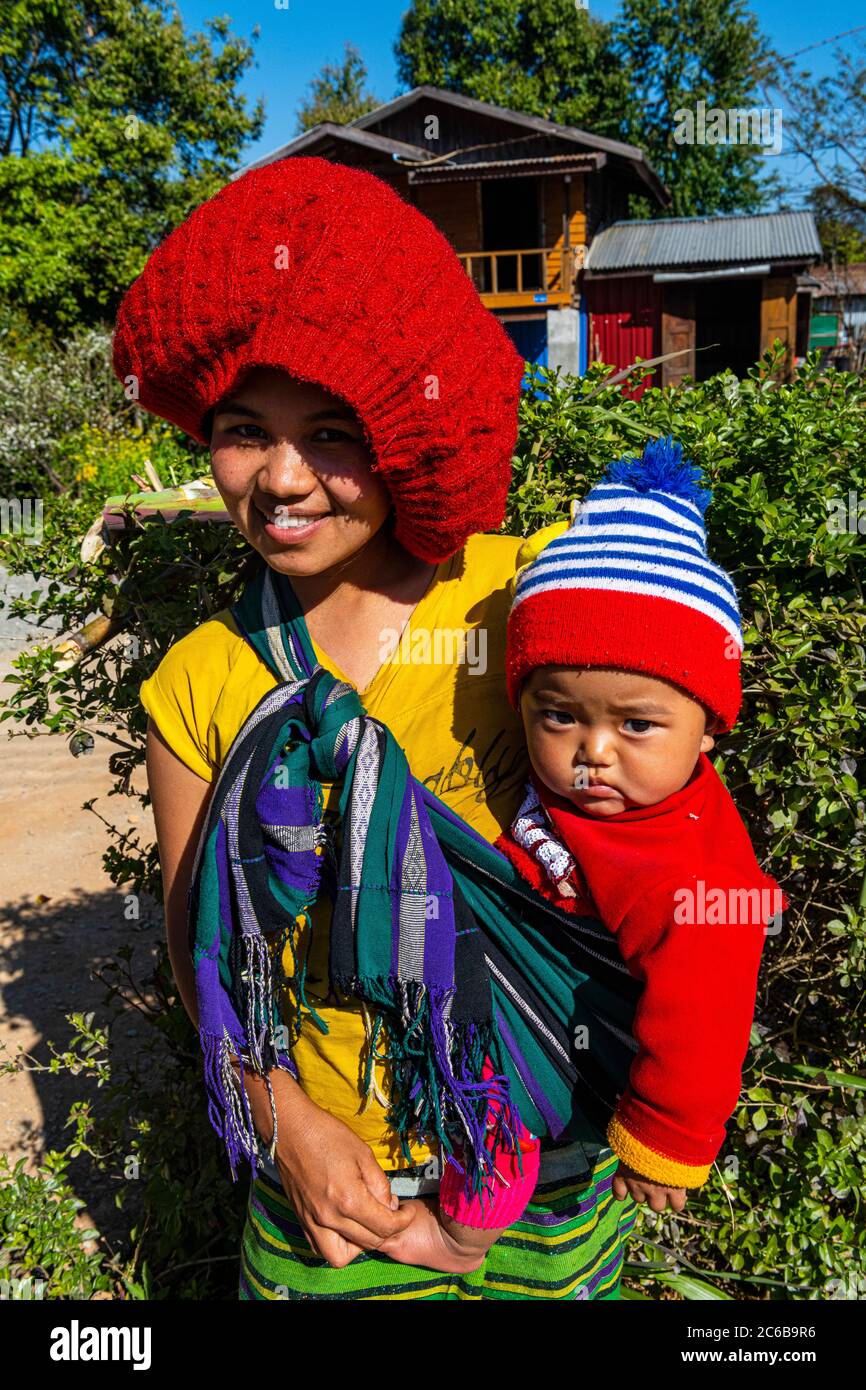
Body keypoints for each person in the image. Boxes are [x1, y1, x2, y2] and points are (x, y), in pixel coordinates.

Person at [116, 156, 638, 1299]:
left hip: (538, 1151)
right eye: (245, 429)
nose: (283, 478)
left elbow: (666, 820)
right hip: (337, 1185)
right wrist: (282, 1120)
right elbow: (195, 942)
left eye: (334, 431)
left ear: (410, 426)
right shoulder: (199, 684)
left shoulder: (518, 601)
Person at [491, 437, 788, 1217]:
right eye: (558, 715)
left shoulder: (690, 872)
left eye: (637, 724)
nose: (593, 751)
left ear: (710, 729)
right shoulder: (596, 799)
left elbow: (704, 1016)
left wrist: (667, 1142)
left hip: (572, 1100)